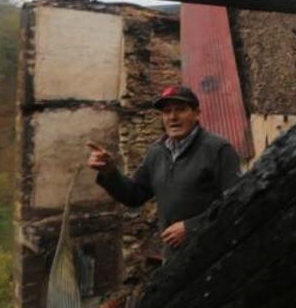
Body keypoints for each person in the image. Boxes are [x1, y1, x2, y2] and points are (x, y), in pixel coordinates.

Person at [87, 85, 240, 258]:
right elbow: (134, 195)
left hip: (212, 254)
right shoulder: (157, 152)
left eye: (180, 110)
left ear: (197, 113)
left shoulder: (218, 149)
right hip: (174, 256)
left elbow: (236, 202)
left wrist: (192, 227)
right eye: (167, 112)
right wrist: (110, 172)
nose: (173, 117)